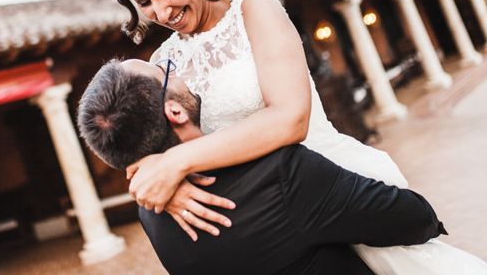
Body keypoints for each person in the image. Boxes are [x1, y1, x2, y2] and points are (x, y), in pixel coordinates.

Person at [110, 0, 487, 273]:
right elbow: (143, 144)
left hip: (334, 187)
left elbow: (291, 119)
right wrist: (162, 185)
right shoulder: (164, 63)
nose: (161, 11)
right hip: (268, 221)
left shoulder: (255, 10)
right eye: (144, 2)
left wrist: (178, 162)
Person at [77, 59, 447, 275]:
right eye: (166, 69)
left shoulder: (153, 214)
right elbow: (413, 219)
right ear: (174, 112)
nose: (178, 71)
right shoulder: (279, 174)